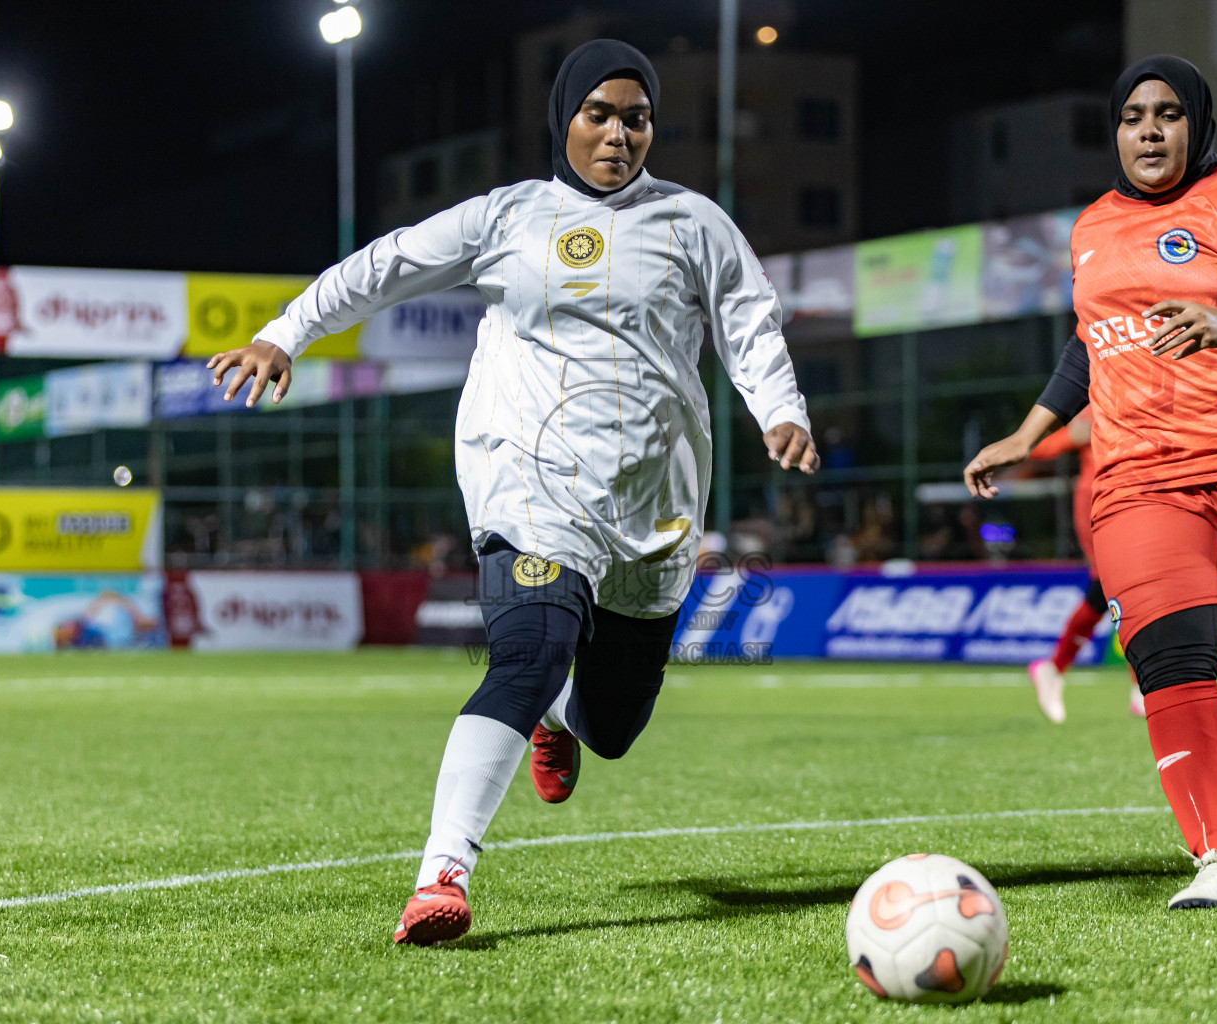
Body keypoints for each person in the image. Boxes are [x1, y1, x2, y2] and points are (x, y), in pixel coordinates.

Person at [206, 40, 817, 944]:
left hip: (654, 506)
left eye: (636, 118)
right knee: (526, 656)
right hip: (529, 483)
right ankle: (442, 875)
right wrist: (283, 335)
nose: (617, 134)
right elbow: (384, 265)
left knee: (612, 726)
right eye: (598, 114)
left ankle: (562, 721)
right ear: (564, 119)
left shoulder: (695, 224)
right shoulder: (509, 216)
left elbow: (748, 324)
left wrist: (781, 408)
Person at [964, 55, 1217, 911]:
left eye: (1166, 114)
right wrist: (1029, 431)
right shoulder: (1089, 231)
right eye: (1130, 117)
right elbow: (1091, 343)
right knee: (1169, 650)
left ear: (1197, 124)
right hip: (1142, 480)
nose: (1148, 131)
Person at [1023, 409, 1145, 722]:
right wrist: (1074, 432)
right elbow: (1041, 447)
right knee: (1118, 587)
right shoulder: (1096, 399)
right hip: (1099, 503)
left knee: (1117, 589)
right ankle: (1140, 688)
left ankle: (1054, 668)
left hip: (1140, 501)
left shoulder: (1145, 387)